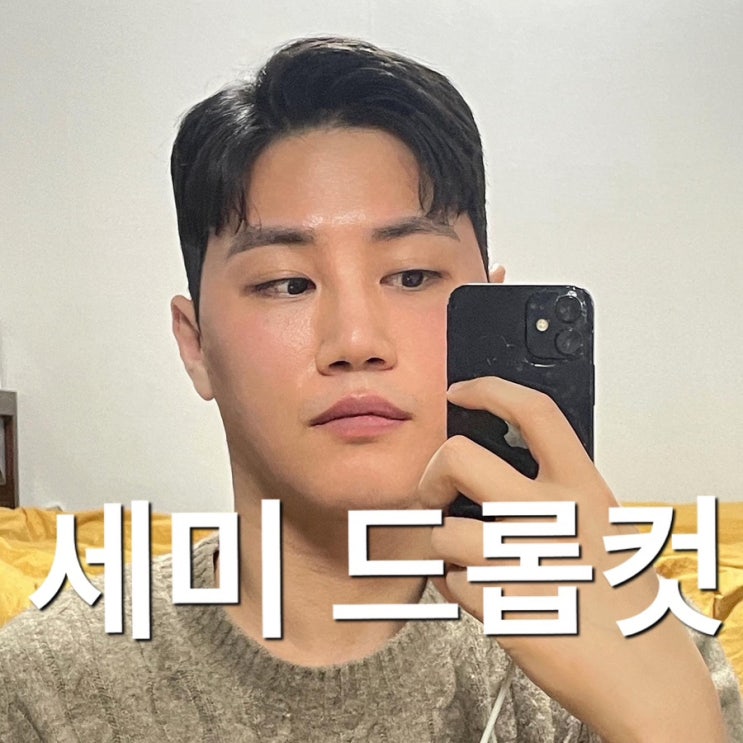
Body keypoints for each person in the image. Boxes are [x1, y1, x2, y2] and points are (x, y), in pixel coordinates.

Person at [1, 36, 741, 742]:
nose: (355, 340)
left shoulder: (642, 651)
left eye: (412, 276)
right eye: (286, 283)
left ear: (484, 309)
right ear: (196, 345)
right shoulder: (47, 687)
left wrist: (668, 725)